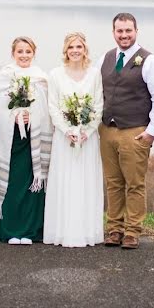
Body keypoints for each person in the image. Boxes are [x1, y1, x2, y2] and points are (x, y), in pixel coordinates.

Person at [99, 12, 154, 249]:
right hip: (108, 130)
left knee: (134, 183)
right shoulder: (106, 58)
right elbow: (98, 92)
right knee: (112, 182)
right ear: (113, 33)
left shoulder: (149, 60)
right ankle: (114, 228)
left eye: (128, 30)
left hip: (135, 131)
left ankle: (132, 231)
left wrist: (151, 131)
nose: (124, 35)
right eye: (120, 31)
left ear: (136, 31)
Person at [44, 32, 105, 247]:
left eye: (79, 46)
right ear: (65, 50)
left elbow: (98, 106)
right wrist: (66, 129)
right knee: (65, 180)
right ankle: (61, 231)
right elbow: (53, 107)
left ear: (85, 49)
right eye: (71, 47)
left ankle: (87, 231)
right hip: (64, 138)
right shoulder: (55, 75)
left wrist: (87, 130)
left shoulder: (95, 74)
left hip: (88, 139)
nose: (75, 50)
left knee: (85, 181)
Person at [0, 36, 52, 244]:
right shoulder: (5, 76)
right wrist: (16, 114)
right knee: (12, 182)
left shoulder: (41, 78)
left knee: (32, 182)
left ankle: (29, 231)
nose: (24, 55)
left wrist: (32, 115)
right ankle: (9, 230)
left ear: (34, 53)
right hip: (11, 138)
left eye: (28, 51)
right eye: (20, 51)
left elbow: (46, 108)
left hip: (33, 139)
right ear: (13, 53)